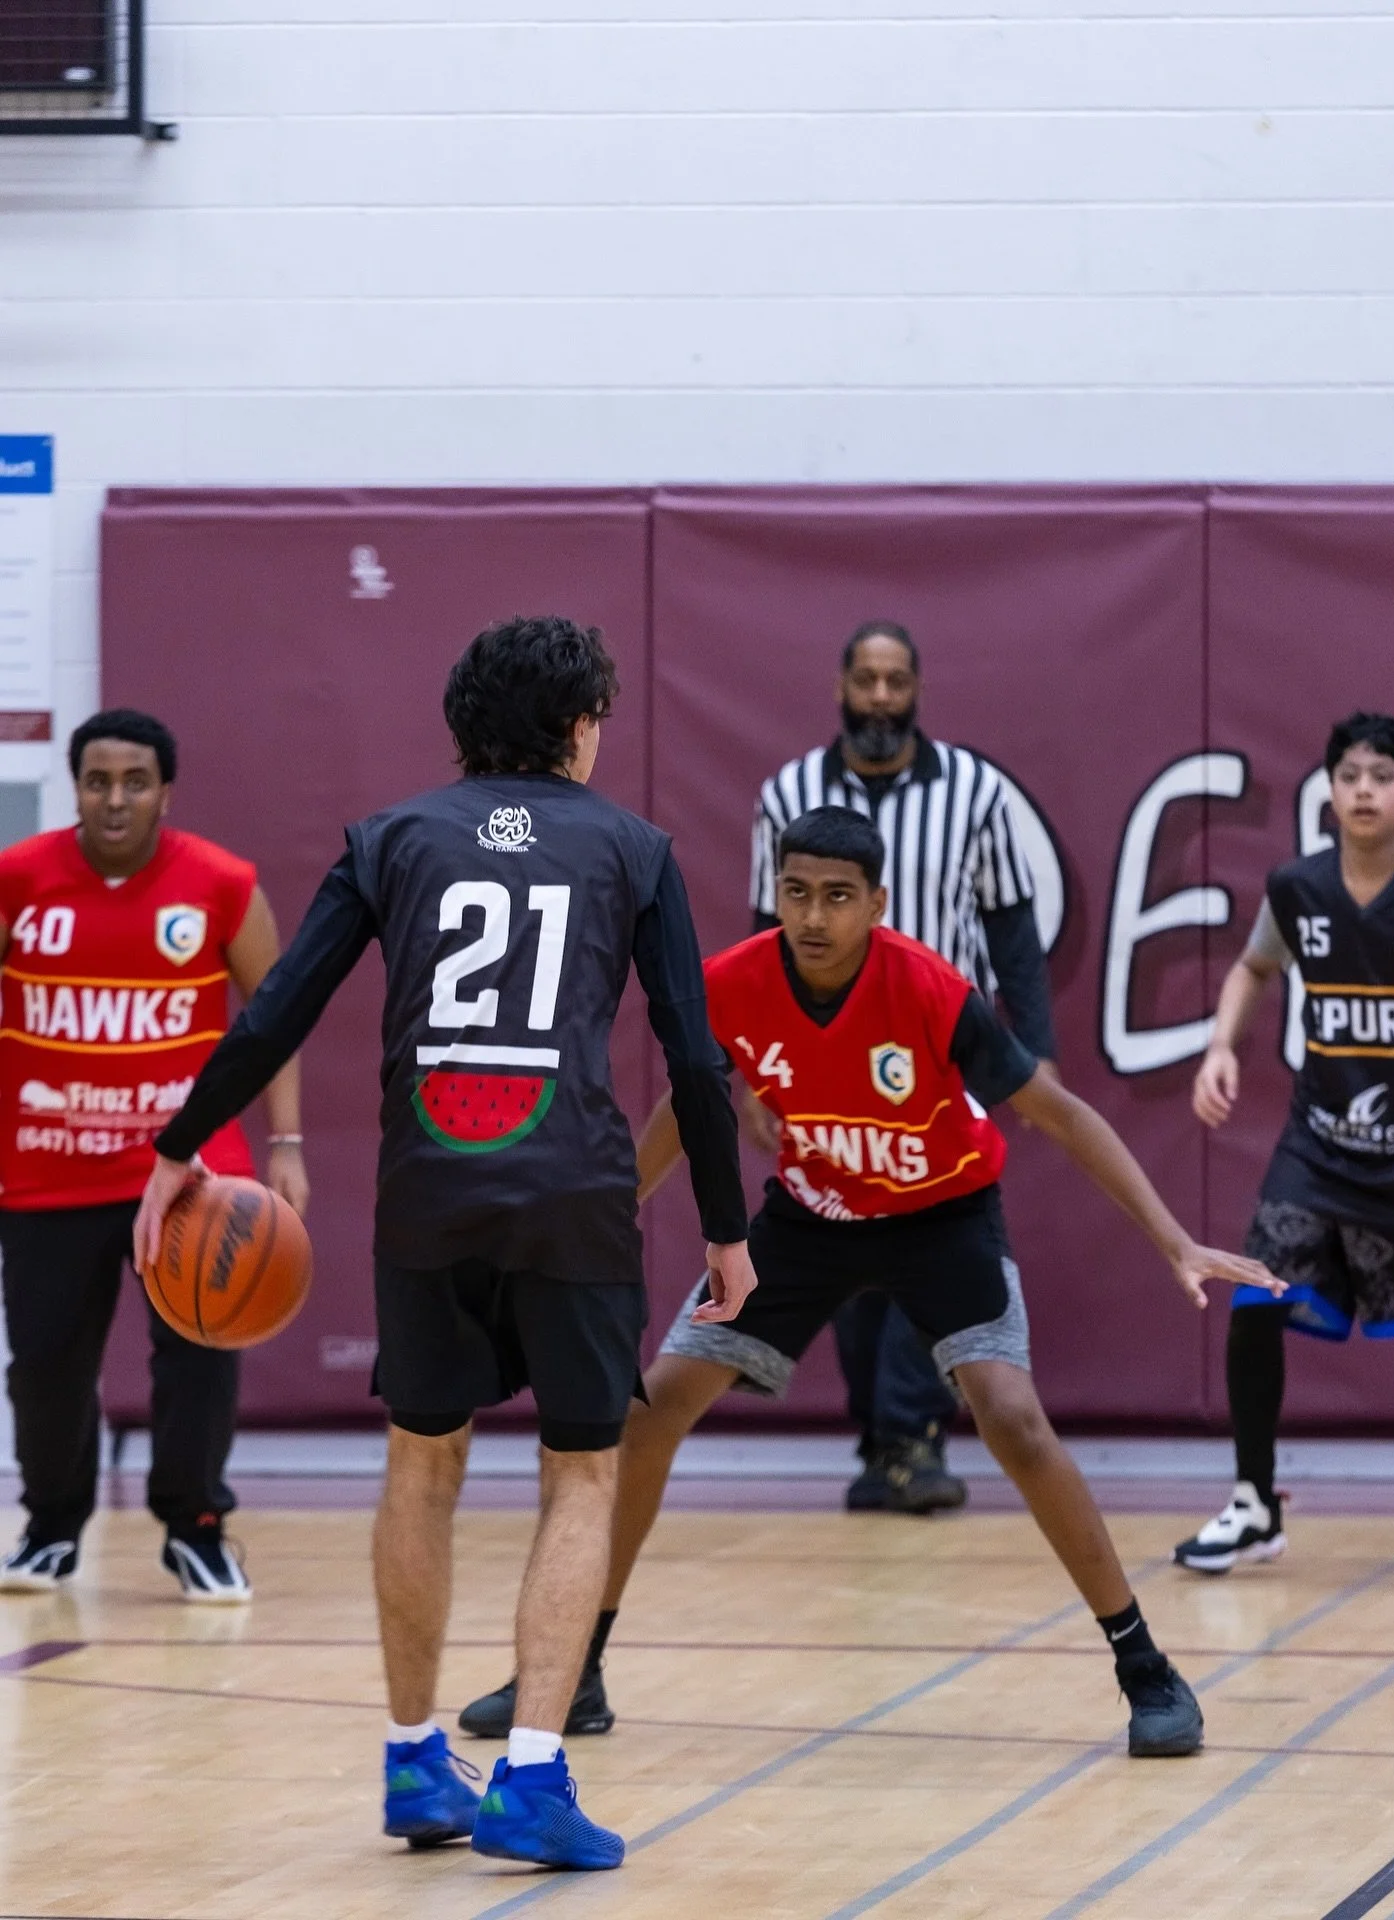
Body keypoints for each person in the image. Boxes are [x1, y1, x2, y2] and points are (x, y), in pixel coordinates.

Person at [132, 617, 754, 1870]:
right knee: (581, 1473)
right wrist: (729, 1231)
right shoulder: (634, 849)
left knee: (422, 1463)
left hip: (429, 1195)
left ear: (462, 725)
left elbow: (275, 1011)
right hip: (571, 1195)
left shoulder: (393, 838)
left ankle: (417, 1760)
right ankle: (529, 1777)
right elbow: (695, 1058)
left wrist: (179, 1146)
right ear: (579, 728)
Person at [465, 807, 1281, 1757]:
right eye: (797, 892)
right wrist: (606, 1222)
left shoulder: (931, 992)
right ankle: (579, 1672)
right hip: (810, 1219)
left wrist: (1175, 1239)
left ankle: (1145, 1667)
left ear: (877, 904)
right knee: (649, 1414)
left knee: (1013, 1419)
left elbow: (1057, 1115)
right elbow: (687, 1110)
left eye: (839, 897)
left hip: (943, 1218)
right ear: (777, 892)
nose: (814, 916)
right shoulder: (729, 983)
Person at [0, 708, 307, 1603]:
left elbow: (276, 1016)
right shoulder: (18, 879)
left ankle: (196, 1528)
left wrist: (284, 1144)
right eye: (98, 780)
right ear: (76, 787)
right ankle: (51, 1528)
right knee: (49, 1362)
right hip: (45, 1166)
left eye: (136, 781)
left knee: (202, 1351)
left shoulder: (219, 882)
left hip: (190, 1175)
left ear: (165, 791)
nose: (116, 797)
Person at [750, 620, 1057, 1514]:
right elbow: (764, 936)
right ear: (841, 684)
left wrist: (1036, 1059)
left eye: (896, 681)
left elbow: (1011, 929)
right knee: (850, 1249)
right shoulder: (789, 793)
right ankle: (890, 1439)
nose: (880, 696)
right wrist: (756, 1071)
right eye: (866, 679)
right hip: (821, 1057)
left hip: (943, 1055)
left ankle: (909, 1437)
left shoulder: (978, 791)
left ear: (917, 687)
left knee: (927, 1239)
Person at [1176, 712, 1394, 1573]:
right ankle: (1254, 1505)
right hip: (1321, 1148)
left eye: (1384, 776)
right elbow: (1255, 966)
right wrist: (1221, 1045)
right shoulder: (1297, 887)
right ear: (1329, 789)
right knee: (1254, 1300)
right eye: (1349, 774)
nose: (1364, 788)